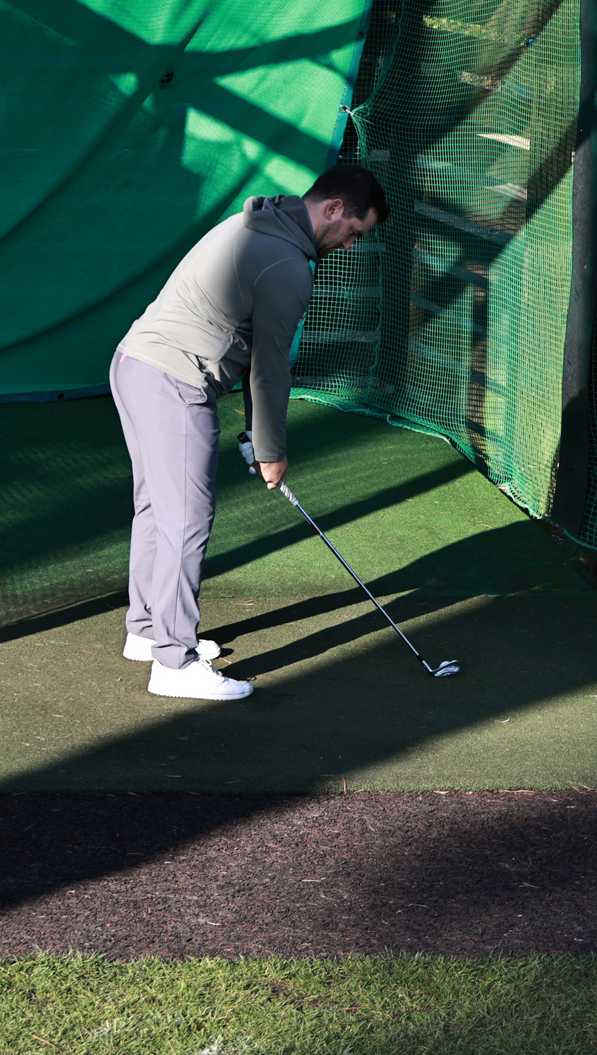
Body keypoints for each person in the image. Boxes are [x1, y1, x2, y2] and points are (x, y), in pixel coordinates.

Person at [110, 162, 389, 701]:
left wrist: (255, 436)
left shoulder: (256, 223)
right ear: (332, 209)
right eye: (353, 232)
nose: (350, 246)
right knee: (187, 519)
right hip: (172, 378)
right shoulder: (288, 264)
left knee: (158, 509)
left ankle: (147, 631)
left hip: (136, 363)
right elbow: (269, 368)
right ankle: (173, 661)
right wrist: (271, 451)